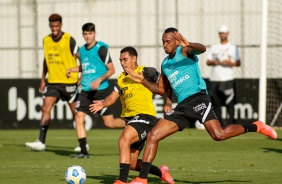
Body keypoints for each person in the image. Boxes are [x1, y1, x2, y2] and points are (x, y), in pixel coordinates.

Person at [126, 27, 277, 184]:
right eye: (163, 42)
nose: (165, 45)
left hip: (198, 99)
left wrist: (189, 43)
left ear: (176, 41)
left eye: (168, 41)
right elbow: (161, 90)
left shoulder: (184, 51)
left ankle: (256, 126)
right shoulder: (165, 64)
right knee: (153, 136)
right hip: (182, 106)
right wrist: (143, 81)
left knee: (218, 135)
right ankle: (142, 178)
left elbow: (202, 49)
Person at [89, 46, 174, 184]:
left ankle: (122, 181)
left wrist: (169, 102)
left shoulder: (146, 71)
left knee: (123, 140)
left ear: (134, 58)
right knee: (133, 163)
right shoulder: (122, 78)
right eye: (120, 60)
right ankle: (162, 172)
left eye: (125, 59)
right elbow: (112, 98)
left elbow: (166, 84)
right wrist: (102, 104)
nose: (122, 63)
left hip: (145, 117)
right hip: (132, 121)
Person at [66, 23, 125, 158]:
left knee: (109, 123)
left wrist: (99, 80)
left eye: (90, 33)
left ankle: (129, 123)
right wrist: (73, 70)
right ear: (83, 35)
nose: (88, 36)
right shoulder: (82, 50)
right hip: (86, 92)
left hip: (100, 92)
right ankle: (83, 151)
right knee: (79, 117)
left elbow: (112, 69)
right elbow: (85, 67)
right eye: (85, 34)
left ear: (95, 33)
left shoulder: (101, 49)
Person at [25, 13, 80, 151]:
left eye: (57, 25)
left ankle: (82, 143)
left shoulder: (69, 40)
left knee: (76, 113)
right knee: (45, 108)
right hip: (53, 82)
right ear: (49, 26)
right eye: (52, 26)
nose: (54, 28)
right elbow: (46, 60)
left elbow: (81, 58)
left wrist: (81, 76)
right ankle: (41, 142)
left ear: (61, 25)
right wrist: (43, 79)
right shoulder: (46, 40)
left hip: (69, 83)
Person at [206, 24, 241, 126]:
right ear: (219, 34)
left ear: (228, 33)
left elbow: (238, 63)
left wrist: (229, 63)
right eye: (221, 33)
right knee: (216, 102)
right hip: (215, 78)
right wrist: (214, 62)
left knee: (229, 102)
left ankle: (231, 123)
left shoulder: (232, 47)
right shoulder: (214, 47)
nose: (222, 35)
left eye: (224, 33)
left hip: (227, 78)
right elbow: (208, 62)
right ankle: (220, 124)